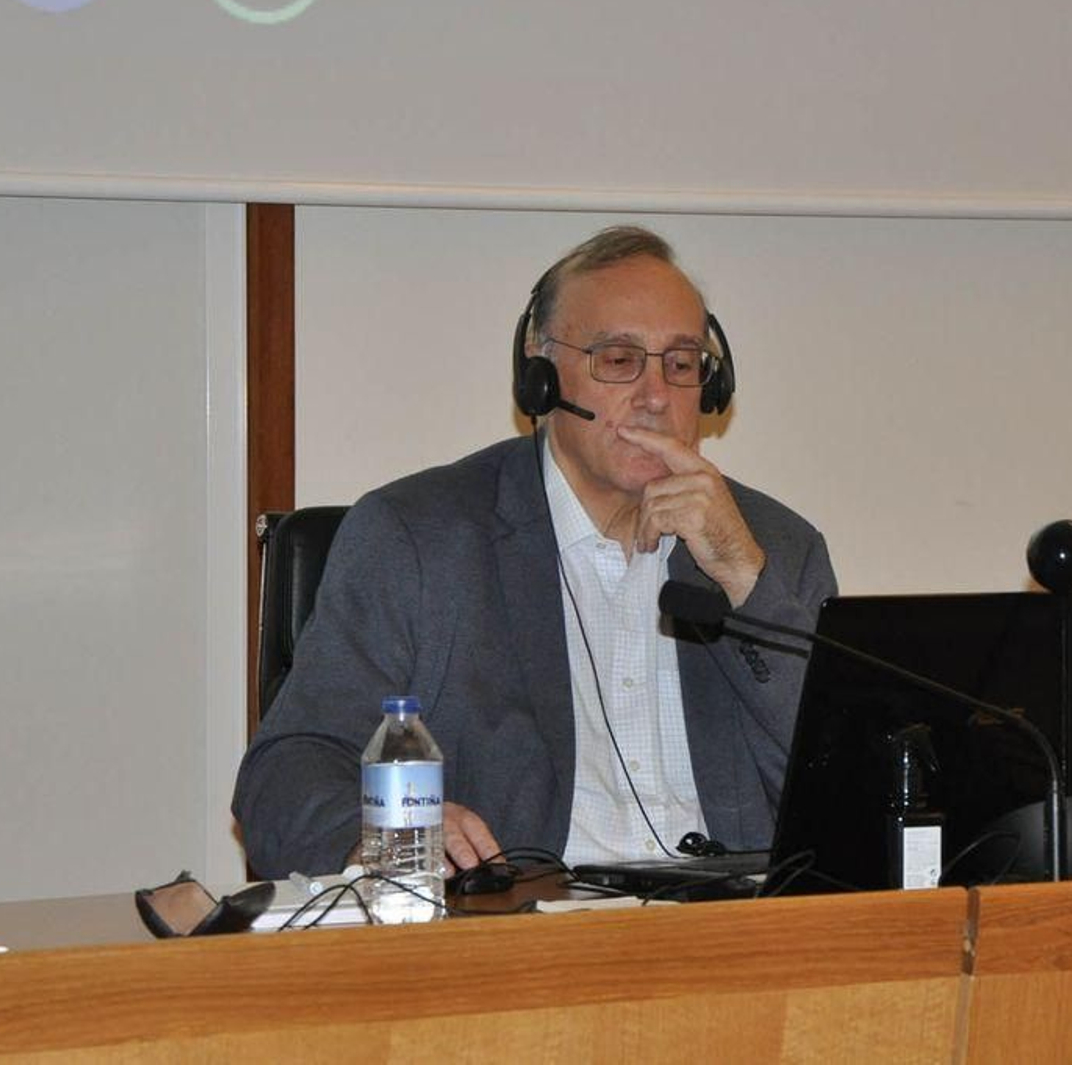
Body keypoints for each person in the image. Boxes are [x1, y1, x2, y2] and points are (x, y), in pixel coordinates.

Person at [232, 226, 837, 878]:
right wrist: (376, 832)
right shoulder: (419, 539)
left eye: (681, 363)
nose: (657, 395)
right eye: (618, 359)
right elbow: (285, 771)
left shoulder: (775, 548)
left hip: (737, 940)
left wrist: (745, 578)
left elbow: (849, 782)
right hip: (523, 940)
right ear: (541, 377)